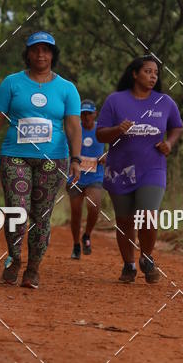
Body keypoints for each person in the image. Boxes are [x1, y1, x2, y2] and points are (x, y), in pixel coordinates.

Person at [0, 30, 82, 290]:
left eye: (46, 50)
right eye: (35, 49)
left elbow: (73, 126)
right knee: (17, 211)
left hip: (53, 160)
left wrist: (76, 160)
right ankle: (14, 258)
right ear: (28, 54)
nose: (41, 54)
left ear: (53, 55)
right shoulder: (12, 83)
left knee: (41, 215)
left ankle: (33, 269)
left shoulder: (67, 89)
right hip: (15, 156)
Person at [96, 55, 183, 284]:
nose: (153, 76)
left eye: (156, 73)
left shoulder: (164, 102)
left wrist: (169, 144)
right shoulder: (115, 100)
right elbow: (100, 133)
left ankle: (147, 258)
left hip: (153, 167)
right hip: (119, 168)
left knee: (147, 215)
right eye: (147, 71)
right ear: (134, 74)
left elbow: (177, 127)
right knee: (124, 221)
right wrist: (117, 130)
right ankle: (129, 265)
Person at [67, 99, 106, 259]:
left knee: (94, 205)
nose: (86, 117)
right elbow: (64, 148)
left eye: (89, 114)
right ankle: (76, 244)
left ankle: (87, 234)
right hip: (76, 176)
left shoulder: (101, 130)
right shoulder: (75, 129)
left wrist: (107, 155)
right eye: (83, 114)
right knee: (76, 214)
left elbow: (116, 145)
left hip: (94, 176)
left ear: (95, 114)